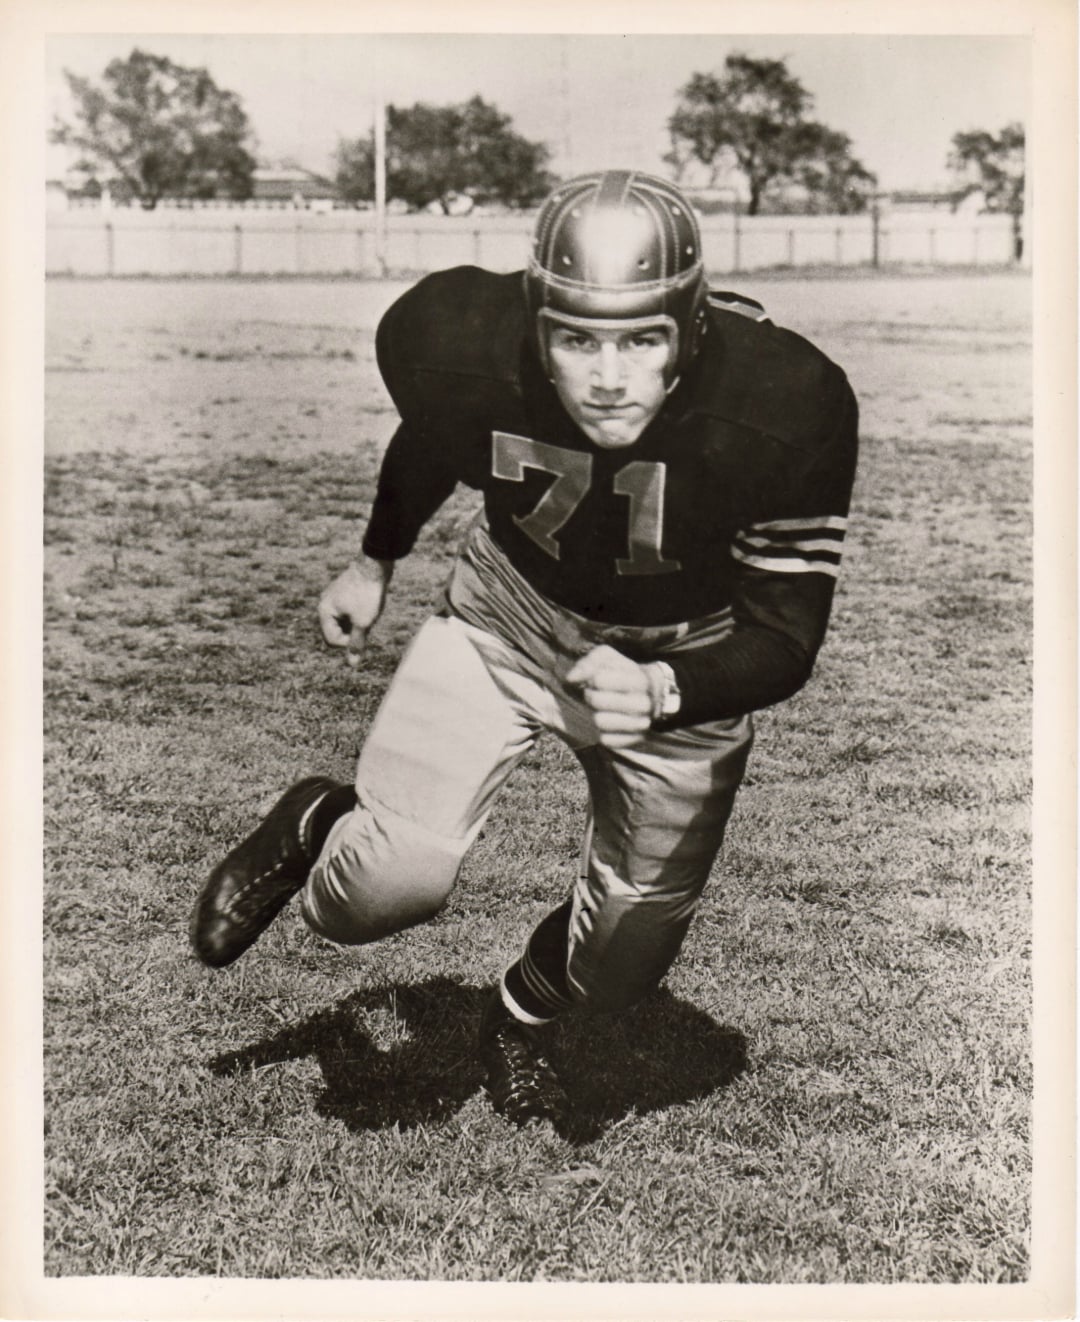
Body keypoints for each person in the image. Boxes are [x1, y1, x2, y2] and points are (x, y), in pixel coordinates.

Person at [190, 169, 859, 1130]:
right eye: (577, 336)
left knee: (625, 959)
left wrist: (668, 687)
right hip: (509, 615)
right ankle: (315, 822)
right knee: (371, 897)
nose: (607, 373)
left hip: (680, 655)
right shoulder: (465, 348)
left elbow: (787, 638)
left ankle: (520, 1015)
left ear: (693, 329)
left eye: (641, 338)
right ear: (536, 320)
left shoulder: (785, 403)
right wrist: (374, 562)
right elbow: (435, 437)